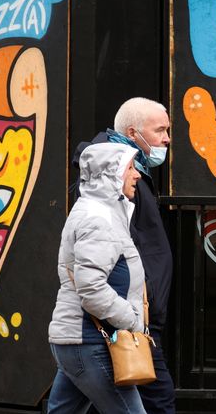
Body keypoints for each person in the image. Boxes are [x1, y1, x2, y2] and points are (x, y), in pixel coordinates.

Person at [74, 98, 175, 413]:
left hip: (124, 317)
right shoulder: (115, 184)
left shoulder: (129, 176)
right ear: (133, 133)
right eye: (160, 130)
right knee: (158, 400)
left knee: (76, 401)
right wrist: (134, 315)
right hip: (130, 319)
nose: (167, 139)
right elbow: (96, 267)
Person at [47, 142, 147, 414]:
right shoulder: (98, 219)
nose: (137, 174)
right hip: (90, 342)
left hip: (80, 341)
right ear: (111, 173)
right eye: (130, 167)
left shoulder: (101, 212)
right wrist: (133, 320)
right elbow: (91, 289)